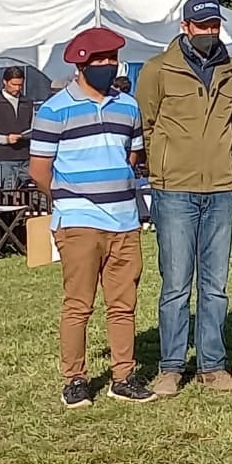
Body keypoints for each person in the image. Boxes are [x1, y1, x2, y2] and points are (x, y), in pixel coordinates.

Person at [28, 27, 156, 408]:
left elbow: (131, 157)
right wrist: (69, 198)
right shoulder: (54, 110)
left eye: (111, 60)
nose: (107, 66)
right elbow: (39, 170)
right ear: (81, 64)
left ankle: (123, 375)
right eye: (99, 61)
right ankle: (75, 378)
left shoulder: (128, 106)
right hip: (79, 220)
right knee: (78, 304)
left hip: (124, 220)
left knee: (124, 303)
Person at [135, 0, 232, 396]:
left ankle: (213, 366)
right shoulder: (157, 70)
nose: (209, 33)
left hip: (218, 187)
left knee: (216, 285)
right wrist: (163, 166)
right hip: (174, 189)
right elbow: (147, 122)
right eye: (202, 27)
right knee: (176, 284)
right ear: (185, 27)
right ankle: (171, 366)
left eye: (214, 26)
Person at [0, 66, 34, 188]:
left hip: (26, 157)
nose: (17, 88)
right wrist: (6, 139)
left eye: (20, 85)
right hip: (4, 158)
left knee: (27, 194)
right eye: (14, 84)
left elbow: (34, 127)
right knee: (6, 195)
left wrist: (28, 135)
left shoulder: (28, 102)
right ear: (4, 82)